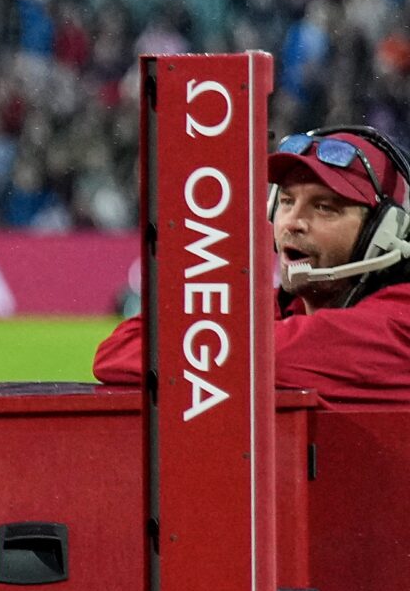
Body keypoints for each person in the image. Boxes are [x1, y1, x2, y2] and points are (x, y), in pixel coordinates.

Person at [92, 125, 410, 406]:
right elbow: (118, 348)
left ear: (385, 230)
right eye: (286, 201)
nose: (292, 222)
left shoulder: (402, 322)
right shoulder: (279, 307)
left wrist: (203, 339)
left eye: (325, 207)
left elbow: (258, 358)